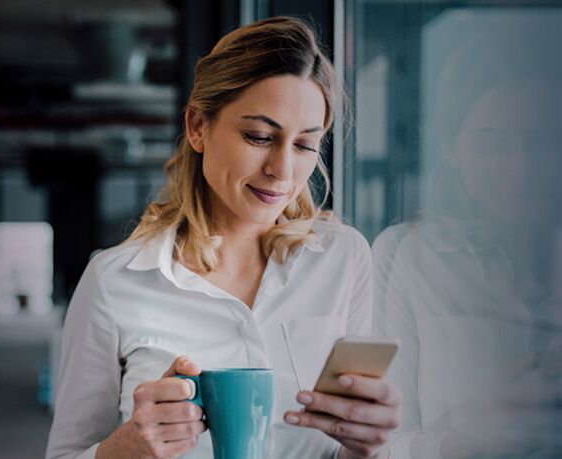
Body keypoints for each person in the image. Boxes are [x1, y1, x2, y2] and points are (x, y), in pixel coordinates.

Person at [46, 17, 400, 459]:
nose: (283, 171)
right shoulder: (114, 280)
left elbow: (352, 439)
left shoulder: (344, 257)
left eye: (305, 145)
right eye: (258, 136)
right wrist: (124, 450)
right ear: (198, 127)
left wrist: (370, 447)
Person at [372, 13, 562, 459]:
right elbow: (376, 446)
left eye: (539, 141)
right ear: (452, 148)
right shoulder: (405, 257)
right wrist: (465, 442)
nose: (520, 169)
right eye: (492, 143)